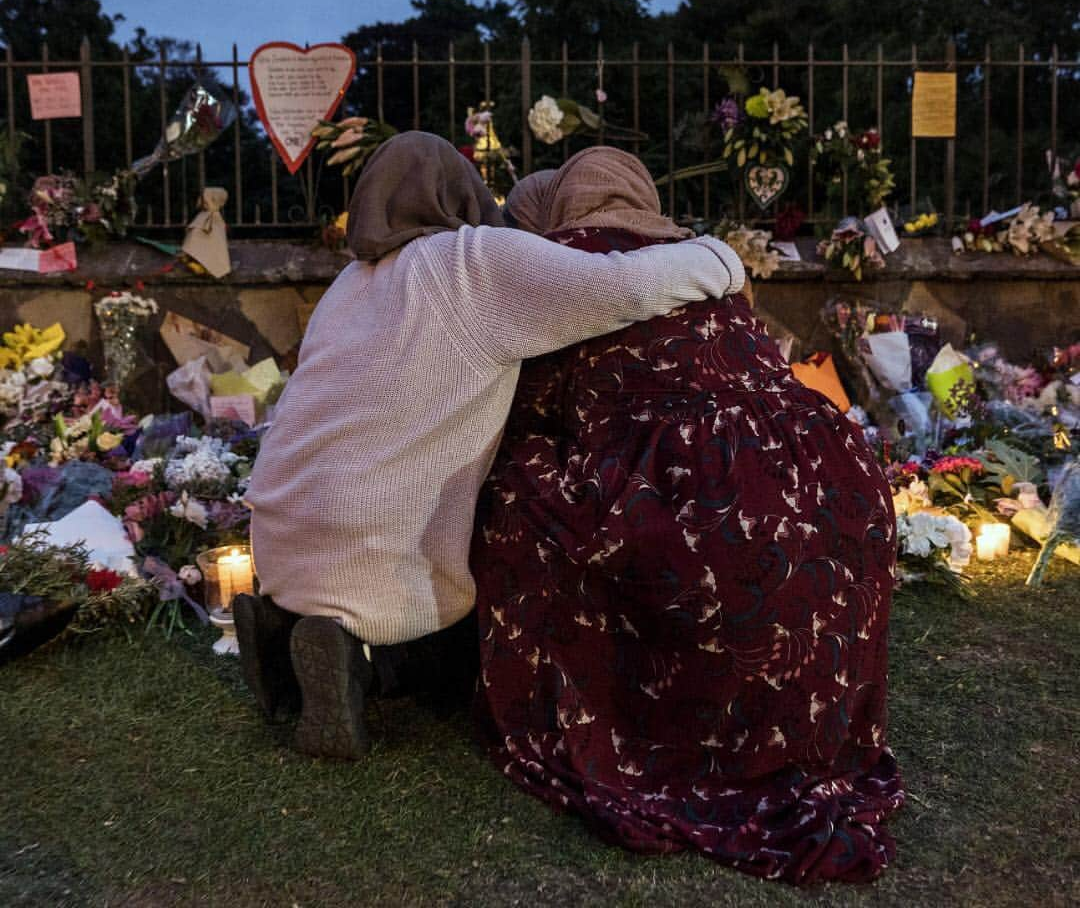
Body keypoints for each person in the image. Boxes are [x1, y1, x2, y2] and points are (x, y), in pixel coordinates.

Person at [237, 132, 747, 760]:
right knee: (458, 622)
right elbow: (618, 287)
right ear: (460, 189)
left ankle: (283, 626)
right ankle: (358, 664)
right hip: (367, 544)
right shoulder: (469, 260)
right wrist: (717, 257)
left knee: (344, 562)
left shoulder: (349, 283)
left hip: (278, 526)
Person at [471, 146, 903, 885]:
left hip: (717, 513)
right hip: (833, 488)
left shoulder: (569, 270)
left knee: (517, 483)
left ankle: (610, 700)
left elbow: (521, 408)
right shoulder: (703, 266)